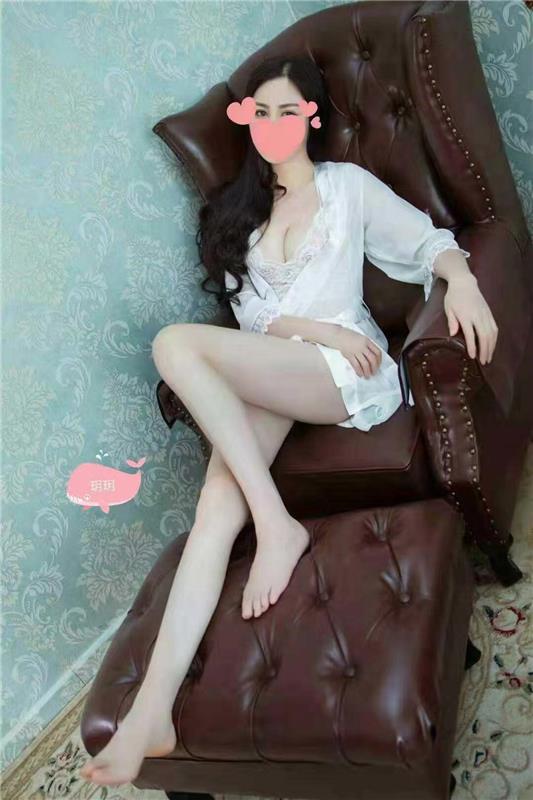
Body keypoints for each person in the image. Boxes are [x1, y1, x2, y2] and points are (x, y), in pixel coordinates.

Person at [80, 55, 498, 788]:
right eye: (259, 113)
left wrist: (460, 278)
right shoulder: (238, 217)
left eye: (286, 111)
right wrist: (309, 325)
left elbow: (427, 239)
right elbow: (256, 323)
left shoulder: (346, 188)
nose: (272, 125)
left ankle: (276, 525)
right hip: (281, 367)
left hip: (342, 371)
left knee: (174, 344)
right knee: (216, 507)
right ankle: (152, 711)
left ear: (311, 118)